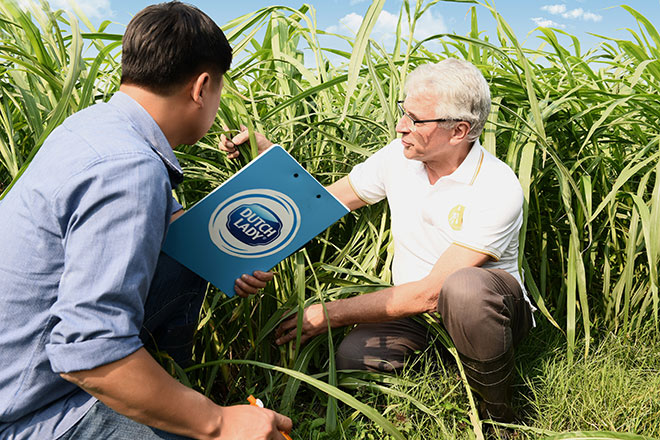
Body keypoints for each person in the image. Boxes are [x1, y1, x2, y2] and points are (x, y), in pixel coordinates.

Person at [0, 3, 291, 439]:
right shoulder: (131, 167)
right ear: (202, 86)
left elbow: (169, 231)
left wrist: (224, 257)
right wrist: (217, 422)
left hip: (18, 359)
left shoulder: (96, 125)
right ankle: (152, 397)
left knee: (187, 254)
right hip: (24, 408)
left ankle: (160, 382)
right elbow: (88, 351)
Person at [221, 58, 535, 423]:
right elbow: (322, 202)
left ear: (459, 130)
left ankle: (500, 414)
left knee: (463, 288)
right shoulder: (398, 158)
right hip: (417, 316)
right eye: (404, 112)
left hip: (485, 310)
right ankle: (446, 371)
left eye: (415, 120)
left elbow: (431, 292)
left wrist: (328, 314)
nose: (401, 127)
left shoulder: (496, 186)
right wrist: (267, 157)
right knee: (352, 359)